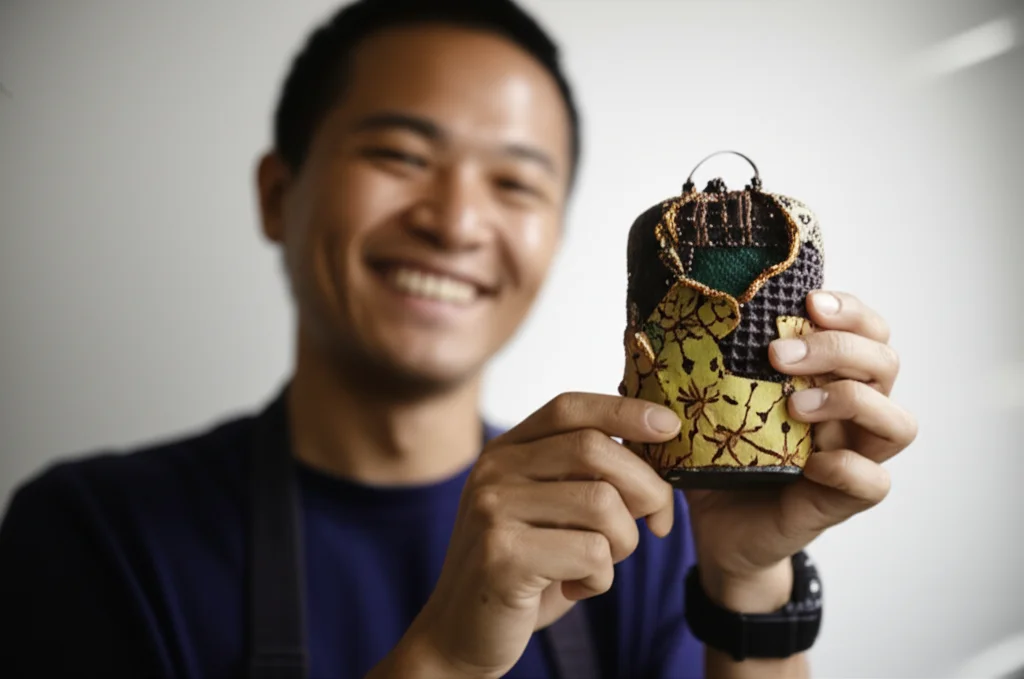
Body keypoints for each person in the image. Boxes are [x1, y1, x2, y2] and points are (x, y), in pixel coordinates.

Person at [0, 1, 918, 678]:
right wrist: (440, 658)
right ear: (280, 193)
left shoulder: (637, 525)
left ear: (554, 241)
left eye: (515, 184)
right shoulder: (91, 536)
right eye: (400, 156)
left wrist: (746, 580)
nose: (455, 222)